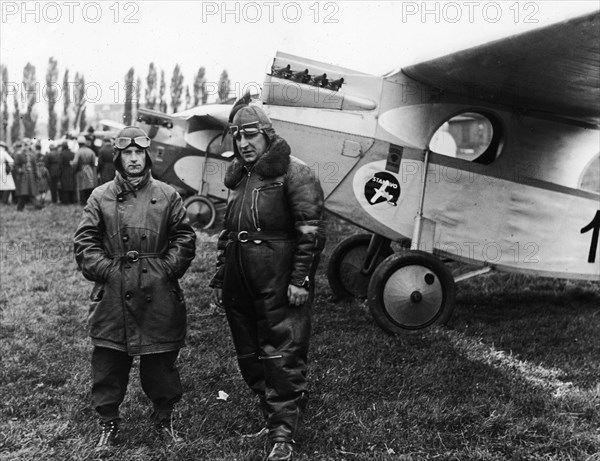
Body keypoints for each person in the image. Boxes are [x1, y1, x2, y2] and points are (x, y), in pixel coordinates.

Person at [209, 98, 325, 461]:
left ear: (267, 135)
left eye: (251, 135)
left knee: (282, 354)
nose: (243, 143)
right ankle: (272, 415)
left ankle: (283, 435)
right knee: (249, 353)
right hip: (239, 281)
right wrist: (220, 277)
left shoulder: (296, 172)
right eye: (237, 136)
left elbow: (311, 231)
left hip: (278, 279)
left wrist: (300, 280)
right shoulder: (241, 176)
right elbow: (229, 233)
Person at [73, 126, 196, 451]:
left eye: (138, 153)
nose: (133, 159)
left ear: (146, 156)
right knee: (108, 363)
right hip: (113, 294)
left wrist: (166, 269)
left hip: (158, 292)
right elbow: (84, 243)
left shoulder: (168, 195)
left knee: (161, 364)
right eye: (126, 153)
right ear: (118, 157)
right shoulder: (100, 196)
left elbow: (184, 237)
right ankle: (108, 423)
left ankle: (164, 418)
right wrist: (109, 270)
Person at [13, 140, 40, 211]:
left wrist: (36, 175)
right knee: (23, 192)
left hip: (31, 176)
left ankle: (37, 205)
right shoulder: (19, 154)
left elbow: (35, 166)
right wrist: (19, 170)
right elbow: (16, 165)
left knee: (31, 192)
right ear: (23, 145)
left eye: (28, 145)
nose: (26, 146)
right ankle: (20, 208)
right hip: (23, 176)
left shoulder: (32, 155)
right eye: (25, 145)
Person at [72, 135, 97, 205]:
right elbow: (93, 162)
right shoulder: (91, 151)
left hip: (81, 171)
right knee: (89, 187)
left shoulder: (78, 152)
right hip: (90, 170)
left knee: (82, 187)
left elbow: (75, 163)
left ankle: (83, 203)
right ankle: (89, 203)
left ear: (78, 143)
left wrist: (74, 170)